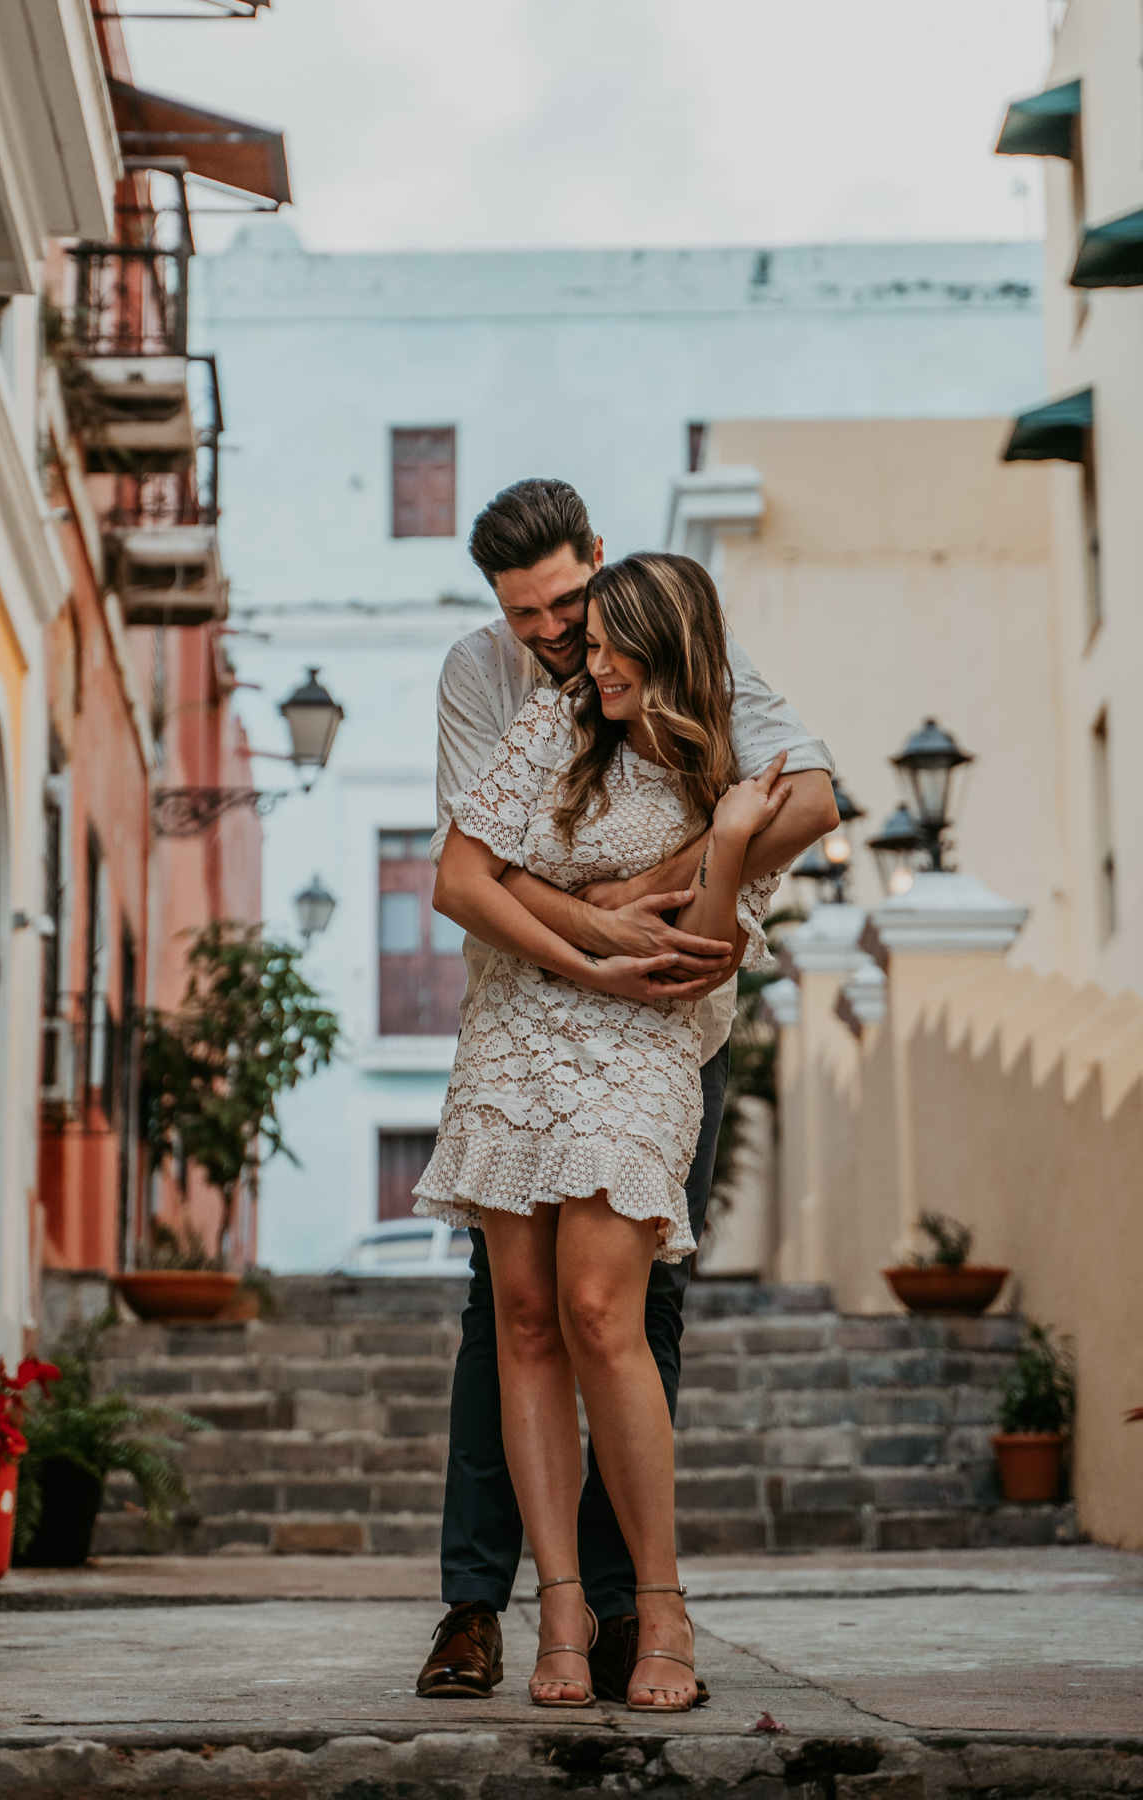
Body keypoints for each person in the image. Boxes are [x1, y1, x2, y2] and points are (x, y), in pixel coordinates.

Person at [414, 481, 835, 1705]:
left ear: (605, 577)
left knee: (618, 1312)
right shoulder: (513, 694)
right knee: (517, 1319)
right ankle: (526, 1612)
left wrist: (715, 849)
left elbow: (745, 888)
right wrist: (594, 934)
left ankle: (648, 1610)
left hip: (654, 1040)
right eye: (535, 620)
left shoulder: (712, 701)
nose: (559, 645)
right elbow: (464, 870)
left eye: (576, 619)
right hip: (524, 1018)